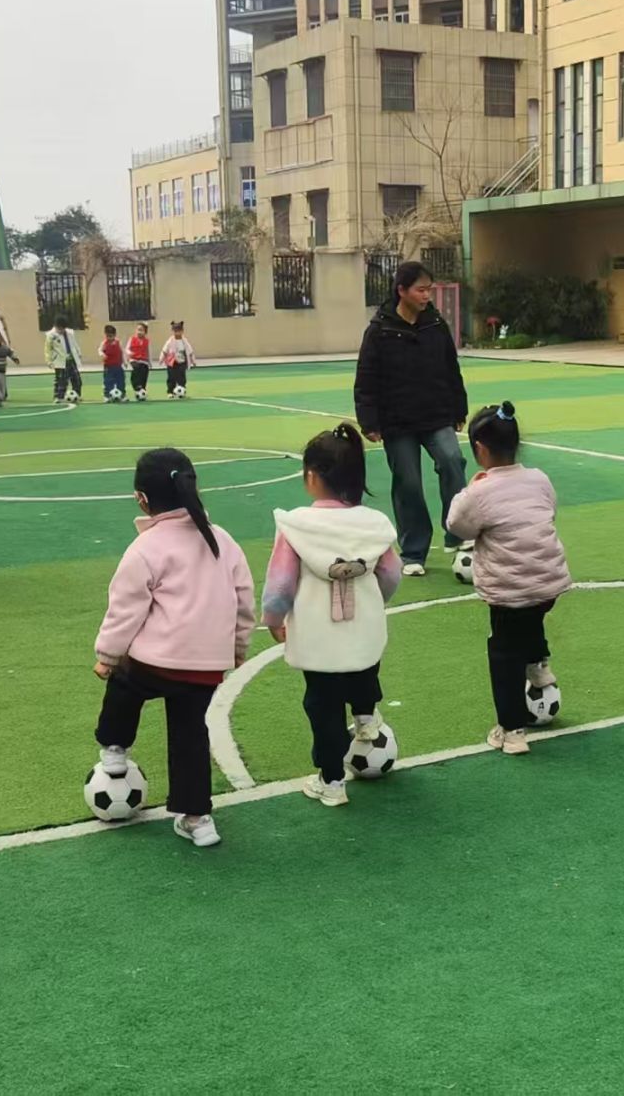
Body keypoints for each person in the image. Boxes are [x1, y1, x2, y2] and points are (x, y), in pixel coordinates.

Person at [93, 449, 255, 848]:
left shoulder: (146, 547)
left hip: (156, 663)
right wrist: (237, 647)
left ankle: (114, 749)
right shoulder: (222, 540)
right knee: (190, 735)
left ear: (141, 499)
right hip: (205, 668)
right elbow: (243, 600)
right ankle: (198, 820)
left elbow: (125, 610)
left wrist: (107, 656)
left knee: (123, 683)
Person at [261, 424, 402, 807]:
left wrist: (273, 619)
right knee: (364, 670)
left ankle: (332, 782)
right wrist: (376, 600)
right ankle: (366, 718)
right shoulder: (373, 525)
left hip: (316, 634)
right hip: (363, 626)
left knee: (322, 705)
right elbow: (391, 573)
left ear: (311, 476)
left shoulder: (297, 526)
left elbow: (280, 584)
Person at [445, 402, 572, 756]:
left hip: (508, 590)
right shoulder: (539, 479)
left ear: (480, 450)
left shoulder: (480, 492)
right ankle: (539, 664)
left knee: (503, 651)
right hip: (549, 582)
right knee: (532, 614)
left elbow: (456, 525)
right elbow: (548, 511)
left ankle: (512, 729)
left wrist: (469, 488)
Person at [354, 261, 469, 575]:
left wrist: (458, 408)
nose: (427, 295)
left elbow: (451, 368)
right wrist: (369, 421)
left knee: (453, 461)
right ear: (401, 291)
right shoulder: (379, 330)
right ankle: (414, 552)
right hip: (397, 422)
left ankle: (457, 534)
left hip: (437, 415)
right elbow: (366, 378)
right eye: (421, 290)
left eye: (429, 289)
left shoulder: (436, 325)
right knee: (408, 484)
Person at [45, 313, 83, 403]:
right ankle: (58, 396)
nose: (61, 330)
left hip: (71, 359)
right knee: (61, 380)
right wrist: (49, 361)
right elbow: (48, 349)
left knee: (77, 379)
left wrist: (78, 353)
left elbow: (74, 344)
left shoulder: (70, 333)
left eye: (63, 328)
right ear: (55, 326)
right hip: (60, 360)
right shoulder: (51, 335)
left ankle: (77, 394)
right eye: (59, 328)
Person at [160, 321, 196, 397]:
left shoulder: (184, 341)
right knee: (171, 377)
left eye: (179, 331)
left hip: (181, 362)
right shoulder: (170, 341)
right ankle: (170, 391)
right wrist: (161, 358)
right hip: (172, 362)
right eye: (175, 331)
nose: (177, 333)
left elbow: (190, 351)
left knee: (182, 377)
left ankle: (181, 390)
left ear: (182, 331)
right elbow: (164, 350)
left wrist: (193, 360)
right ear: (173, 331)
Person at [100, 325, 127, 402]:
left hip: (118, 366)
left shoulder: (118, 342)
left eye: (111, 336)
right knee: (108, 381)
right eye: (107, 336)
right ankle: (107, 396)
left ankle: (122, 395)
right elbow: (100, 350)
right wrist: (102, 354)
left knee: (121, 381)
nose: (109, 338)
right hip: (108, 367)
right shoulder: (104, 343)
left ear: (114, 335)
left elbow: (122, 352)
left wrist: (125, 361)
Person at [128, 323, 152, 400]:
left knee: (144, 371)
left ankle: (142, 390)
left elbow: (148, 351)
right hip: (134, 360)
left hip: (143, 361)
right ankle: (137, 387)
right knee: (136, 370)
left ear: (145, 332)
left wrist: (149, 362)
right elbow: (127, 349)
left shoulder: (146, 341)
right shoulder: (132, 339)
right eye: (138, 330)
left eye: (141, 330)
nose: (139, 332)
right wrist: (130, 353)